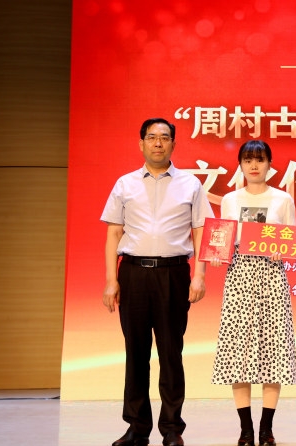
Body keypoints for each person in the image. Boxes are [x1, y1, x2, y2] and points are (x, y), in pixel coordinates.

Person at [101, 118, 214, 446]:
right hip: (133, 273)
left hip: (173, 274)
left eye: (165, 138)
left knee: (170, 353)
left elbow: (201, 231)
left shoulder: (191, 184)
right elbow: (113, 233)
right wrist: (111, 280)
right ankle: (137, 428)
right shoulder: (124, 184)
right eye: (151, 137)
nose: (158, 143)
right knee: (135, 353)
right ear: (141, 144)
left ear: (173, 144)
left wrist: (200, 275)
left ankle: (172, 429)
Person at [209, 140, 296, 446]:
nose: (254, 166)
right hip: (240, 276)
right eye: (248, 160)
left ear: (270, 164)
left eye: (260, 160)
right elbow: (222, 238)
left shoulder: (283, 199)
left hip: (272, 276)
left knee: (274, 351)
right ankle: (246, 430)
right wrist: (217, 253)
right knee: (239, 353)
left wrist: (282, 250)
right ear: (240, 165)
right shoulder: (230, 200)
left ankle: (266, 429)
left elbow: (293, 241)